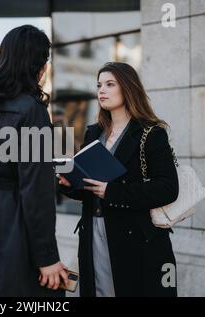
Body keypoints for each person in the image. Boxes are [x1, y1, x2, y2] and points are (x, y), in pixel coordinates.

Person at [0, 25, 68, 296]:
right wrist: (47, 256)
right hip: (15, 227)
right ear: (37, 66)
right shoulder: (33, 111)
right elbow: (37, 190)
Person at [58, 62, 179, 297]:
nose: (101, 90)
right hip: (93, 232)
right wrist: (71, 184)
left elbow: (168, 188)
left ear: (128, 88)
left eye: (110, 84)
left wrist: (112, 192)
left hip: (135, 238)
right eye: (99, 85)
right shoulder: (94, 132)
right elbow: (89, 186)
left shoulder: (151, 133)